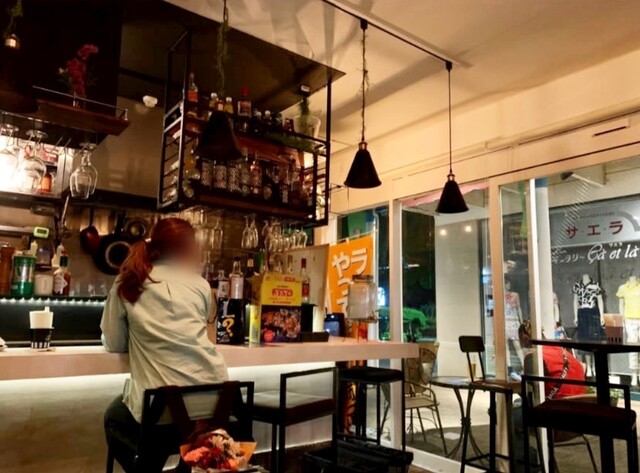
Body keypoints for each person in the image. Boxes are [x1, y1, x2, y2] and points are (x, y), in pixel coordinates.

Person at [101, 218, 228, 472]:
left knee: (115, 417)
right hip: (217, 405)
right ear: (188, 249)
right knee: (172, 425)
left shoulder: (129, 280)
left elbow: (114, 342)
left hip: (162, 412)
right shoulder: (201, 285)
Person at [512, 321, 586, 471]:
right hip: (580, 420)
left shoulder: (534, 357)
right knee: (519, 404)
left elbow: (529, 394)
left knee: (508, 416)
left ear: (524, 337)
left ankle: (527, 463)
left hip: (555, 421)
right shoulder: (565, 353)